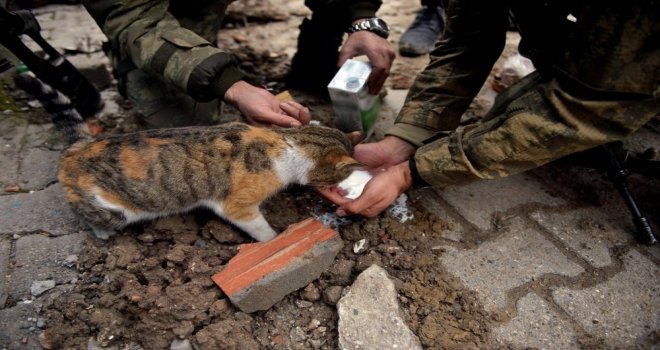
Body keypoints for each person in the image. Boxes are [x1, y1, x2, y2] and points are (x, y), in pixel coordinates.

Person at [319, 0, 659, 218]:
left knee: (521, 125)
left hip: (630, 70)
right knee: (510, 116)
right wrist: (406, 138)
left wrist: (412, 172)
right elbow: (466, 44)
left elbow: (583, 108)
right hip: (585, 63)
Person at [81, 0, 395, 129]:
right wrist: (230, 84)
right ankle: (127, 60)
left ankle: (314, 68)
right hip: (164, 10)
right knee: (187, 127)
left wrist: (363, 18)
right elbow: (135, 19)